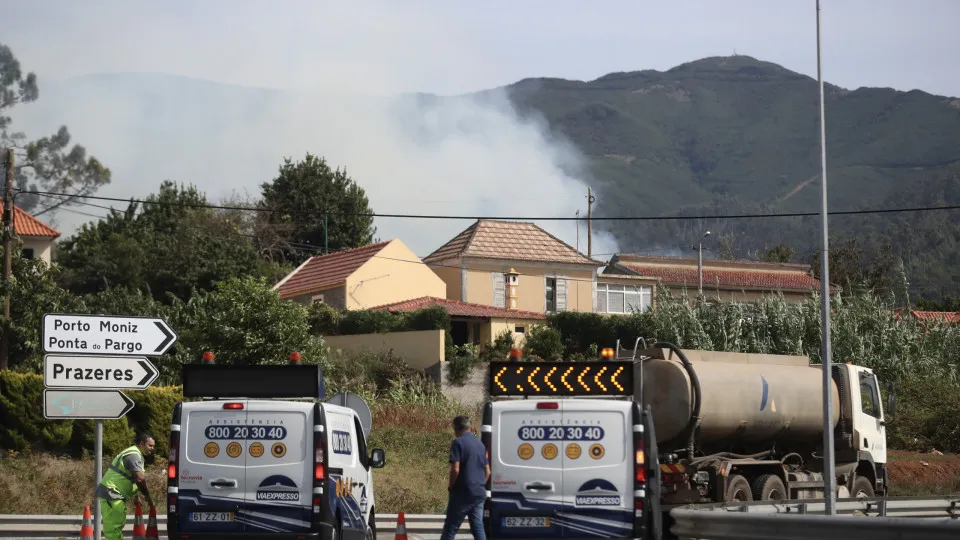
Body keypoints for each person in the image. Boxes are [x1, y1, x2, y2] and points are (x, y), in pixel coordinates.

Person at [95, 433, 156, 540]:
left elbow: (130, 476)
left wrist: (136, 495)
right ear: (142, 444)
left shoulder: (135, 453)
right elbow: (139, 479)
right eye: (150, 445)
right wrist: (148, 497)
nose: (152, 448)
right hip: (112, 493)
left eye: (153, 446)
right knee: (113, 529)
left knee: (116, 526)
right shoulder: (134, 454)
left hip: (114, 494)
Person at [440, 416, 490, 540]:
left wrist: (451, 487)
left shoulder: (458, 443)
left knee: (450, 528)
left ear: (456, 429)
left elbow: (455, 469)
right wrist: (479, 484)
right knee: (478, 527)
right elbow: (488, 471)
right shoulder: (480, 444)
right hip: (479, 492)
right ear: (469, 427)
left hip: (462, 493)